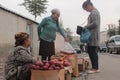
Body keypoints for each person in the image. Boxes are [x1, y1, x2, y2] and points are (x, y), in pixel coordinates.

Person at [82, 0, 100, 73]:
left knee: (93, 52)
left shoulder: (94, 12)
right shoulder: (93, 12)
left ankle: (95, 68)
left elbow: (95, 23)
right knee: (91, 51)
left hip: (93, 36)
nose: (86, 11)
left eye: (86, 9)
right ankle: (94, 67)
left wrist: (86, 26)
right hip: (91, 36)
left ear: (89, 6)